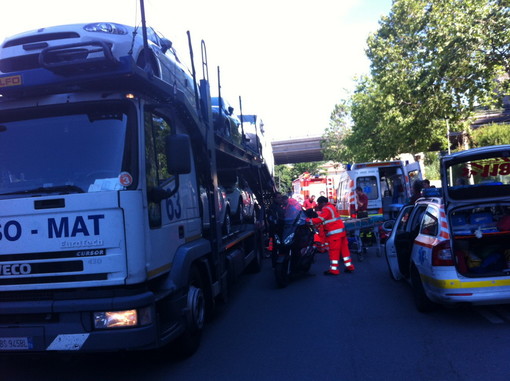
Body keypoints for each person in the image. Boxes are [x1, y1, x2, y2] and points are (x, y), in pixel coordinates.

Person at [306, 196, 355, 275]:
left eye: (319, 204)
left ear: (322, 202)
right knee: (344, 250)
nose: (319, 205)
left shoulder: (326, 209)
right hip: (341, 231)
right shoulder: (331, 206)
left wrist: (308, 221)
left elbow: (320, 219)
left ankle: (334, 270)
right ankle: (349, 267)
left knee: (334, 251)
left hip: (334, 233)